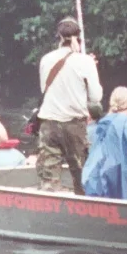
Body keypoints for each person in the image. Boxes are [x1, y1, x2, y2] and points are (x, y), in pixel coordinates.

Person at [36, 18, 103, 194]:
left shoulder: (45, 59)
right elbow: (96, 97)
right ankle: (83, 204)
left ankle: (50, 205)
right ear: (78, 38)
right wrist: (91, 69)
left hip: (48, 124)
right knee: (81, 174)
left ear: (58, 37)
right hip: (75, 126)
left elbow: (44, 88)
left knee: (49, 177)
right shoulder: (85, 62)